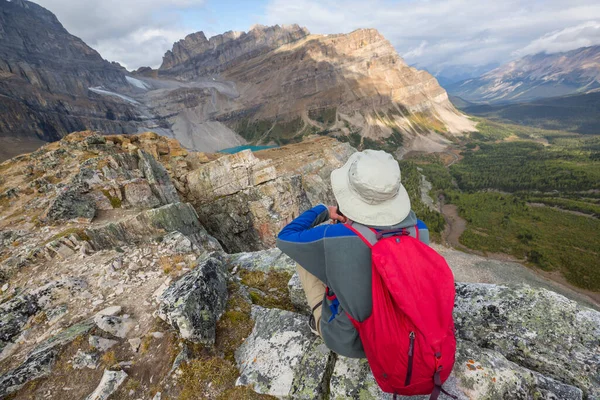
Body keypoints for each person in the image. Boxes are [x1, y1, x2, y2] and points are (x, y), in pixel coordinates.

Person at [277, 149, 430, 358]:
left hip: (353, 342)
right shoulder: (420, 230)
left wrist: (323, 210)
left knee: (305, 259)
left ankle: (319, 321)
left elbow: (285, 237)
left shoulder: (333, 237)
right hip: (406, 334)